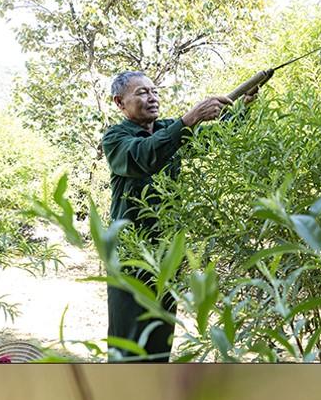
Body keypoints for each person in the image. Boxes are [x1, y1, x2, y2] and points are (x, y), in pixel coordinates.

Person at [101, 71, 252, 361]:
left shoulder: (169, 129)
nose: (152, 97)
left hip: (167, 253)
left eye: (154, 91)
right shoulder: (115, 138)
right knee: (128, 341)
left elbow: (214, 138)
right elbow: (143, 157)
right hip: (130, 255)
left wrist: (243, 108)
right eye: (142, 92)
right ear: (120, 103)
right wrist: (189, 119)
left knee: (160, 337)